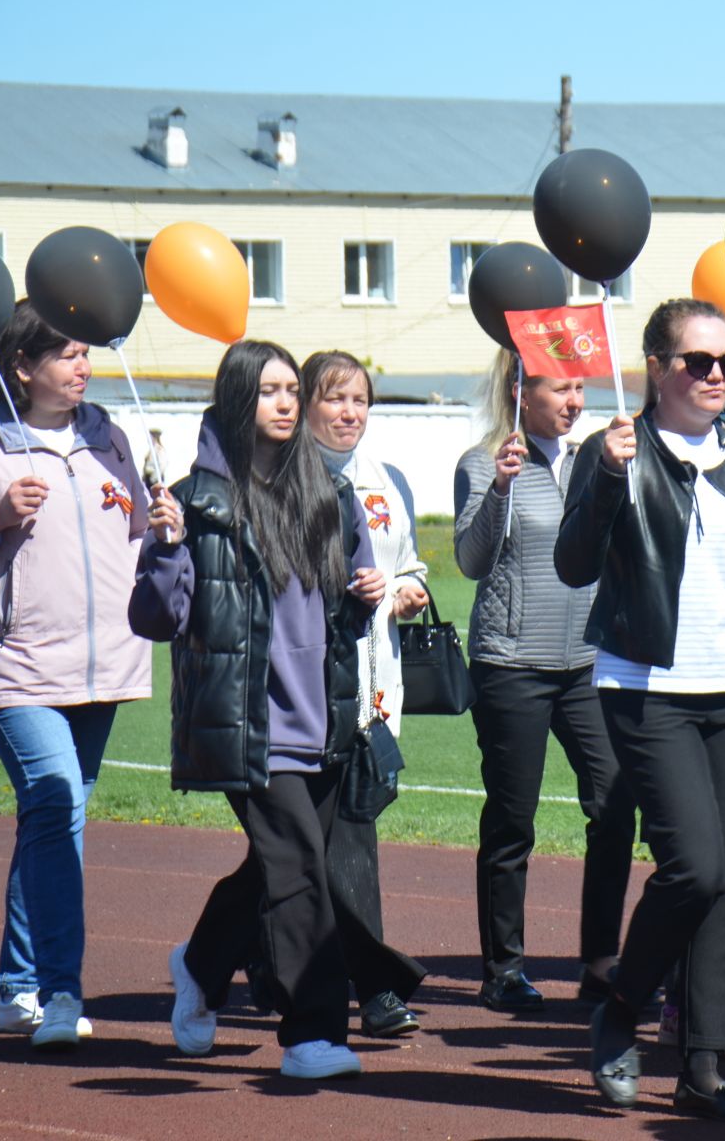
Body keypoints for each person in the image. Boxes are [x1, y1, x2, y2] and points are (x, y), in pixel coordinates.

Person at [559, 297, 725, 1123]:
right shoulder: (618, 451)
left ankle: (701, 1070)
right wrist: (600, 477)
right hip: (647, 689)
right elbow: (572, 566)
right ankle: (623, 1007)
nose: (717, 377)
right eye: (697, 363)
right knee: (694, 868)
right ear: (656, 369)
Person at [133, 340, 384, 1080]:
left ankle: (203, 963)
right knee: (303, 869)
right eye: (269, 390)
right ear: (240, 400)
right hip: (250, 725)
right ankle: (312, 1034)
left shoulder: (328, 496)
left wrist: (365, 598)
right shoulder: (198, 501)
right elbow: (156, 617)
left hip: (324, 721)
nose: (284, 402)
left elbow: (340, 616)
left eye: (289, 390)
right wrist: (165, 548)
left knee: (272, 870)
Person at [0, 302, 151, 1050]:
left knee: (51, 819)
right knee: (57, 804)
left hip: (104, 660)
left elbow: (138, 527)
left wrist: (167, 524)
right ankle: (59, 991)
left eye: (87, 352)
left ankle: (17, 986)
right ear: (20, 366)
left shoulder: (108, 436)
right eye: (66, 354)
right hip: (12, 661)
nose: (83, 366)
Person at [454, 351, 633, 1011]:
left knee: (615, 805)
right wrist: (500, 489)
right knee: (512, 821)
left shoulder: (595, 458)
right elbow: (471, 562)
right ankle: (503, 970)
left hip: (589, 664)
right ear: (520, 392)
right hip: (510, 665)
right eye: (562, 387)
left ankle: (601, 962)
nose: (575, 400)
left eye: (581, 387)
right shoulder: (483, 462)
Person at [297, 351, 430, 1037]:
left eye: (360, 401)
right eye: (335, 399)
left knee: (351, 832)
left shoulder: (385, 480)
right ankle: (372, 988)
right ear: (305, 405)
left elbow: (411, 563)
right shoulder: (288, 478)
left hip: (376, 687)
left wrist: (409, 587)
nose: (349, 413)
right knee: (304, 841)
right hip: (306, 690)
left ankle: (235, 961)